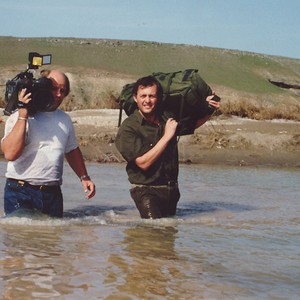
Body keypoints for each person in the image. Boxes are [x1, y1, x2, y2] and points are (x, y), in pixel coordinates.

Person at [115, 76, 220, 219]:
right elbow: (143, 163)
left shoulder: (166, 118)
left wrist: (210, 108)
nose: (147, 100)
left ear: (157, 98)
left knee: (168, 235)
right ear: (135, 98)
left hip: (171, 190)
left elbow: (191, 124)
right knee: (153, 231)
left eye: (151, 96)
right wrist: (167, 136)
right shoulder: (128, 128)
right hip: (145, 190)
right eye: (143, 96)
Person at [1, 69, 96, 218]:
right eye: (54, 88)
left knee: (51, 239)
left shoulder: (64, 120)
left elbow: (71, 150)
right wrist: (23, 115)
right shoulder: (19, 116)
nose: (58, 94)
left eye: (62, 90)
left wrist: (84, 177)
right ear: (43, 87)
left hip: (52, 193)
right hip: (20, 190)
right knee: (20, 237)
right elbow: (10, 154)